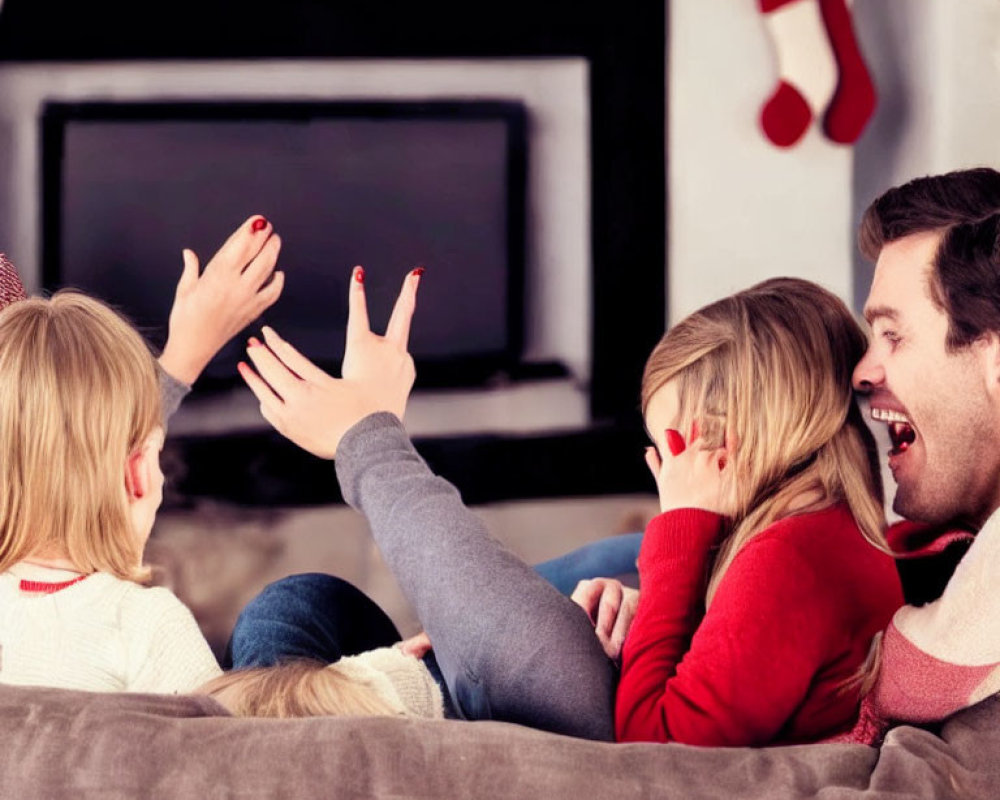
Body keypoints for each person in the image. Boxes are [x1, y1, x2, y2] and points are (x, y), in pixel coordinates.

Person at [229, 269, 902, 746]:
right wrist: (648, 618)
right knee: (300, 601)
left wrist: (681, 529)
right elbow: (737, 663)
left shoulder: (796, 556)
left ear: (734, 438)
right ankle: (368, 683)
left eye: (669, 446)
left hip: (569, 716)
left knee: (287, 618)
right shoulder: (815, 538)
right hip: (559, 685)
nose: (661, 471)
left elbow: (658, 743)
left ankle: (367, 444)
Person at [0, 214, 283, 693]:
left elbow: (45, 427)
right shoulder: (148, 625)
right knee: (288, 620)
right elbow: (227, 752)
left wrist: (182, 357)